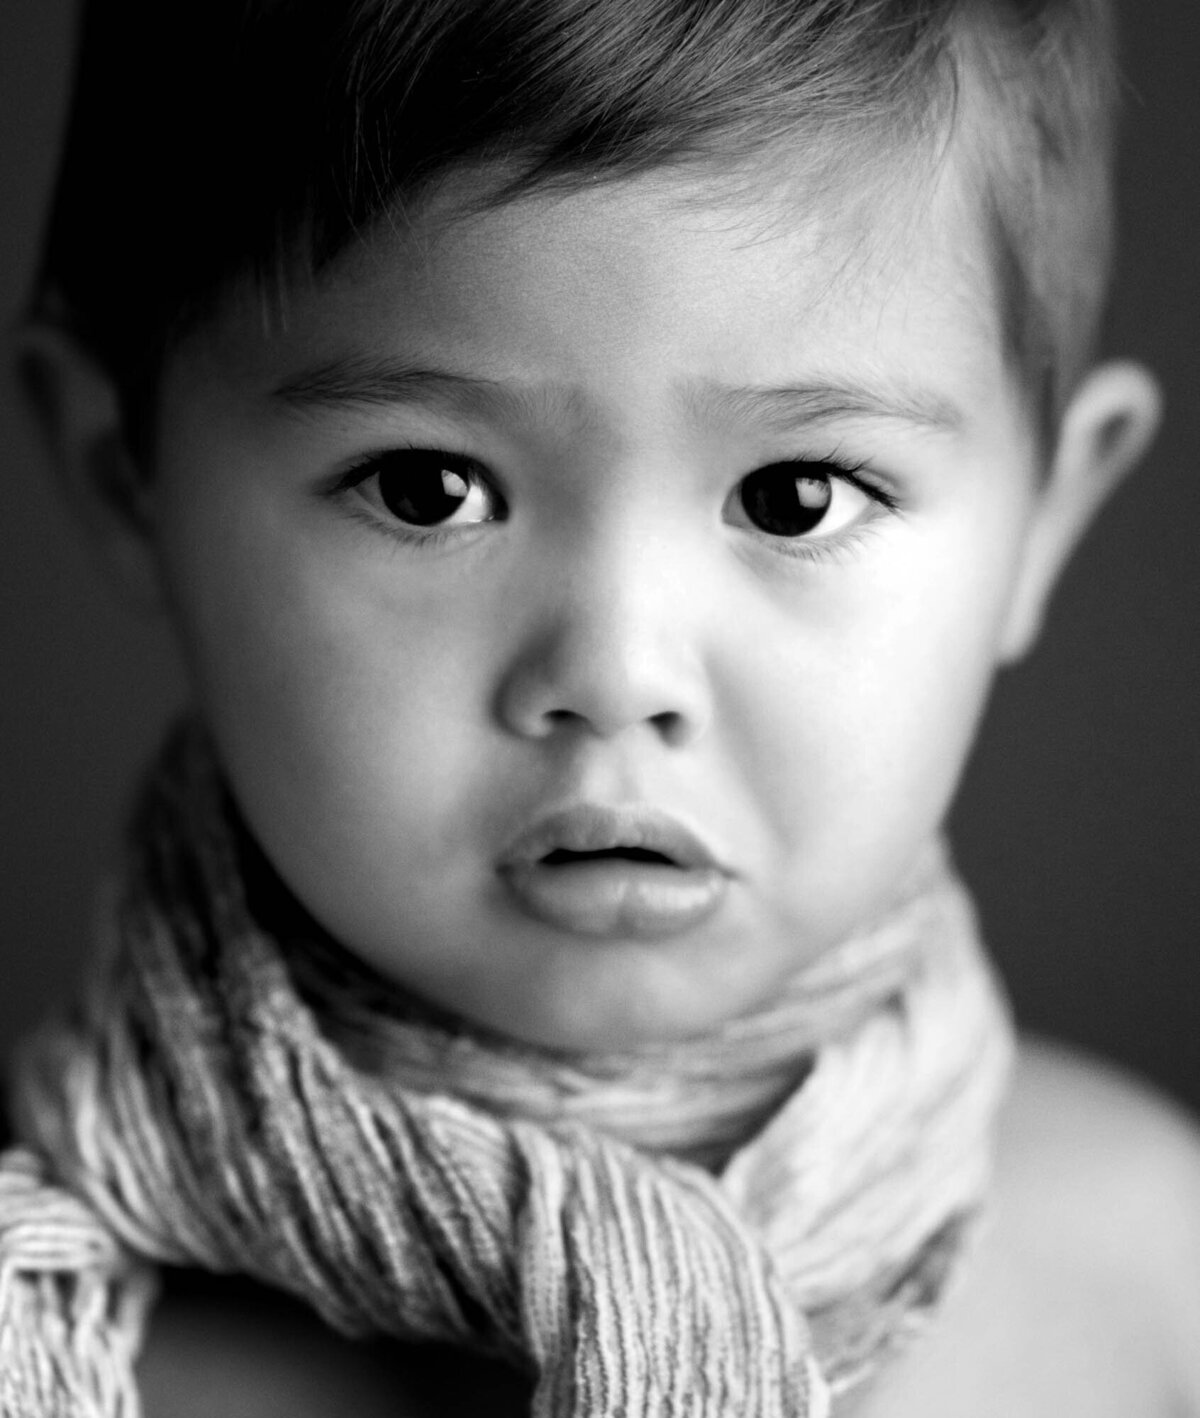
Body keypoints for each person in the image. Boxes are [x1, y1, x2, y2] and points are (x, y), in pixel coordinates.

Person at [3, 0, 1198, 1413]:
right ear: (121, 469)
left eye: (795, 494)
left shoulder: (1151, 1273)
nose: (619, 674)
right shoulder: (52, 1334)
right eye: (426, 487)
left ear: (1043, 522)